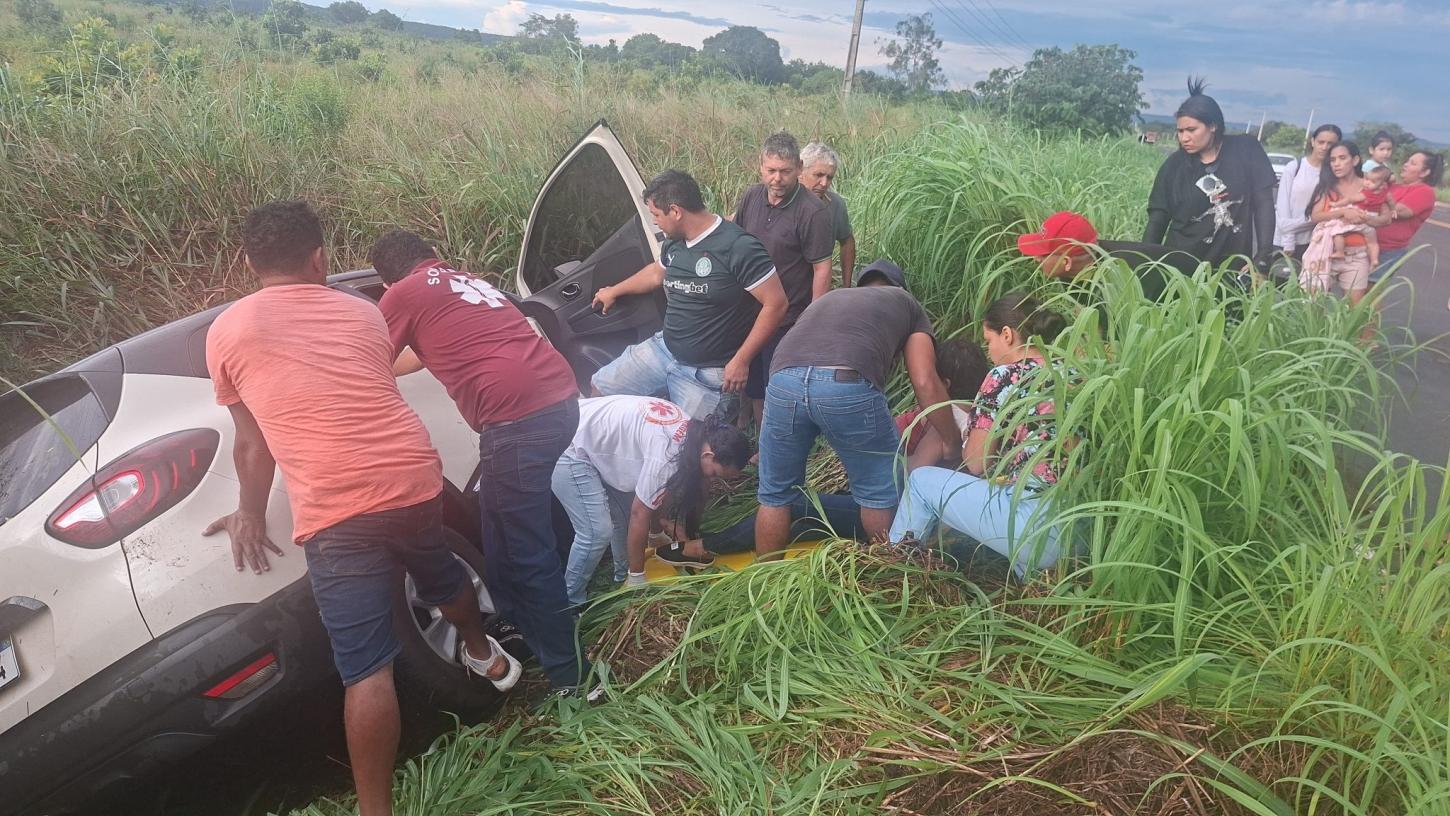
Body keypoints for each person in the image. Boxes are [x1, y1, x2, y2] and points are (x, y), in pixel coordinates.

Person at [202, 202, 513, 816]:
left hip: (336, 510)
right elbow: (365, 387)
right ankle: (481, 650)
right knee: (439, 571)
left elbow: (251, 444)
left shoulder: (227, 334)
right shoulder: (363, 313)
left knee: (366, 672)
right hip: (411, 478)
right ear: (319, 257)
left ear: (249, 261)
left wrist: (248, 512)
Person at [370, 229, 592, 697]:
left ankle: (575, 677)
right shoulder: (463, 283)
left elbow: (363, 359)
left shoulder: (404, 294)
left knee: (524, 553)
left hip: (516, 422)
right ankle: (529, 635)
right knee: (498, 534)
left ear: (387, 281)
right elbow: (413, 357)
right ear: (430, 256)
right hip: (557, 401)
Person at [658, 338, 989, 564]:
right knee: (801, 522)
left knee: (796, 506)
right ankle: (718, 542)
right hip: (922, 519)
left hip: (901, 519)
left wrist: (885, 441)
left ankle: (702, 547)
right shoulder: (977, 417)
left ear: (943, 381)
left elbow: (913, 474)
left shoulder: (944, 419)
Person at [755, 260, 960, 555]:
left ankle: (763, 589)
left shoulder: (832, 298)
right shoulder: (906, 303)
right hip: (844, 381)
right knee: (879, 492)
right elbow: (926, 380)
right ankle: (890, 573)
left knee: (775, 495)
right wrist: (951, 443)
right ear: (899, 288)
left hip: (782, 381)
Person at [889, 293, 1072, 579]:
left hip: (1033, 522)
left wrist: (968, 433)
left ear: (1008, 335)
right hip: (1080, 528)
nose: (989, 352)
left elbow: (976, 462)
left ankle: (889, 574)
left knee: (922, 482)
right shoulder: (1074, 373)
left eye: (989, 341)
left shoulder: (1004, 375)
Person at [591, 169, 788, 420]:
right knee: (601, 389)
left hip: (706, 372)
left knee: (686, 446)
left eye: (656, 214)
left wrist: (741, 360)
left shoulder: (739, 247)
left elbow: (776, 304)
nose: (654, 222)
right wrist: (614, 291)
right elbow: (656, 273)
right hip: (664, 349)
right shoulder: (675, 241)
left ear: (676, 211)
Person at [552, 396, 751, 597]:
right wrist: (638, 577)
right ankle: (571, 601)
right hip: (567, 442)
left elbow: (659, 492)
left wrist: (655, 533)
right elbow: (640, 513)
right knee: (597, 532)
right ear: (708, 456)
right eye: (714, 474)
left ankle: (621, 580)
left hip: (585, 429)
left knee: (621, 520)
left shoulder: (695, 435)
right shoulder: (667, 454)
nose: (712, 480)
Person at [734, 131, 836, 424]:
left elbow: (822, 269)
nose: (777, 179)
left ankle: (771, 445)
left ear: (799, 169)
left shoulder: (812, 213)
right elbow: (736, 241)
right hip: (748, 311)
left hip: (786, 318)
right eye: (771, 171)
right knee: (753, 384)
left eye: (785, 171)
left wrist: (812, 322)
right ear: (760, 167)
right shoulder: (752, 196)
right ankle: (756, 441)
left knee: (774, 386)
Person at [1146, 78, 1277, 271]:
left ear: (1213, 126)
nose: (1184, 138)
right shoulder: (1173, 166)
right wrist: (1147, 264)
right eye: (1180, 131)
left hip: (1230, 269)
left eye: (1191, 130)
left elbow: (1264, 203)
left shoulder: (1246, 150)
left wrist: (1263, 257)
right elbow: (1158, 219)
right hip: (1179, 267)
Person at [1017, 211, 1204, 302]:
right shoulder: (1076, 267)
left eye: (1043, 255)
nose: (1036, 259)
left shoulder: (1122, 280)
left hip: (1202, 296)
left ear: (1066, 262)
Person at [1301, 142, 1382, 304]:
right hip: (1325, 253)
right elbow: (1315, 216)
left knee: (1355, 310)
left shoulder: (1370, 186)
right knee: (1313, 307)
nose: (1336, 163)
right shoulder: (1326, 186)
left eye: (1342, 158)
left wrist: (1364, 218)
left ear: (1355, 160)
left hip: (1356, 256)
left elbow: (1385, 219)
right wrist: (1343, 212)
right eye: (1332, 160)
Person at [1362, 150, 1445, 277]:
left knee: (1368, 290)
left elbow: (1397, 211)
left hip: (1387, 250)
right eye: (1407, 161)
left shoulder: (1425, 192)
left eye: (1412, 163)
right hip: (1366, 243)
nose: (1405, 164)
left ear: (1425, 172)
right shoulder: (1395, 186)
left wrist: (1374, 196)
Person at [1274, 124, 1342, 258]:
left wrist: (1311, 221)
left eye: (1330, 144)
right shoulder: (1295, 167)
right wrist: (1289, 239)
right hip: (1281, 241)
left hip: (1313, 242)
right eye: (1321, 142)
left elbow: (1325, 215)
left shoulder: (1334, 175)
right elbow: (1282, 207)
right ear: (1312, 141)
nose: (1324, 147)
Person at [800, 141, 856, 287]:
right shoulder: (782, 199)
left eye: (829, 177)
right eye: (818, 175)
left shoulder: (835, 205)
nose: (824, 183)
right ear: (800, 172)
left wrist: (847, 286)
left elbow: (847, 240)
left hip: (817, 287)